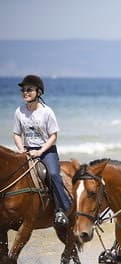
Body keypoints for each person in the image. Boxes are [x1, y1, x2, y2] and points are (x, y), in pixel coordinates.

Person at [13, 74, 71, 227]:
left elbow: (53, 136)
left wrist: (40, 152)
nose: (26, 92)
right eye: (24, 90)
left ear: (38, 92)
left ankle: (62, 209)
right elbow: (16, 134)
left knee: (53, 174)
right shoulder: (19, 111)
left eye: (29, 90)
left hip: (47, 150)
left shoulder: (47, 112)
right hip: (26, 150)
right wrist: (20, 149)